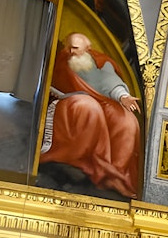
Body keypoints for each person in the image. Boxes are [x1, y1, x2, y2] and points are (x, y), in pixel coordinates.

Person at [41, 32, 141, 198]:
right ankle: (83, 163)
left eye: (76, 49)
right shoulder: (61, 62)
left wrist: (123, 96)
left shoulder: (100, 63)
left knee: (127, 120)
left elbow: (109, 82)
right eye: (69, 48)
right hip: (66, 102)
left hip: (102, 101)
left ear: (88, 49)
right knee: (89, 107)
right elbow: (51, 85)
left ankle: (114, 173)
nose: (72, 52)